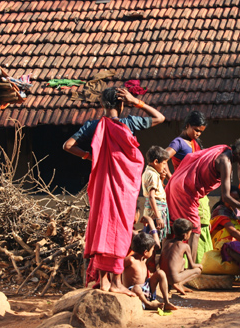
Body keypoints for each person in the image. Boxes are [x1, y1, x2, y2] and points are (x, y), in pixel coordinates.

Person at [64, 87, 165, 295]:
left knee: (103, 227)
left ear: (102, 105)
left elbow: (68, 145)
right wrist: (136, 101)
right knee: (119, 229)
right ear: (121, 104)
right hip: (122, 187)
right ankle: (116, 283)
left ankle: (104, 282)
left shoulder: (93, 125)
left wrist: (90, 157)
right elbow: (160, 118)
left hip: (103, 186)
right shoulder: (128, 123)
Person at [165, 137, 240, 262]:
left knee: (174, 227)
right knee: (195, 229)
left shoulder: (223, 148)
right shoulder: (225, 162)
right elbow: (226, 196)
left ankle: (169, 264)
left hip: (178, 183)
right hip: (185, 190)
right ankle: (192, 268)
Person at [165, 111, 212, 263]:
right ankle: (185, 266)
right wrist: (171, 178)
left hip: (196, 191)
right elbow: (163, 157)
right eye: (196, 129)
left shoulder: (195, 144)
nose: (198, 133)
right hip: (183, 193)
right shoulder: (178, 142)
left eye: (201, 131)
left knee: (202, 225)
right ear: (187, 126)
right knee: (187, 229)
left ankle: (199, 265)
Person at [122, 232, 177, 311]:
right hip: (134, 290)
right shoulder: (130, 260)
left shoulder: (144, 259)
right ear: (145, 252)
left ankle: (166, 301)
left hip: (146, 288)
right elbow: (116, 268)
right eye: (152, 250)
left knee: (160, 273)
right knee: (137, 288)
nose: (153, 252)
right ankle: (148, 304)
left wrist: (152, 226)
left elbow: (158, 245)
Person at [159, 219, 203, 295]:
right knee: (198, 270)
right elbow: (192, 265)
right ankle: (178, 284)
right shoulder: (185, 246)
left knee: (182, 260)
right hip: (174, 278)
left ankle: (175, 284)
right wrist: (199, 265)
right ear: (184, 235)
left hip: (163, 276)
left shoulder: (167, 242)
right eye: (190, 233)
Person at [142, 146, 170, 242]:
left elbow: (158, 190)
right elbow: (151, 196)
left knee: (153, 241)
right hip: (154, 214)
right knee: (152, 241)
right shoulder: (152, 175)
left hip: (154, 212)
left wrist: (162, 179)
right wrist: (158, 217)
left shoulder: (151, 173)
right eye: (164, 163)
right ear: (155, 162)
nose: (164, 166)